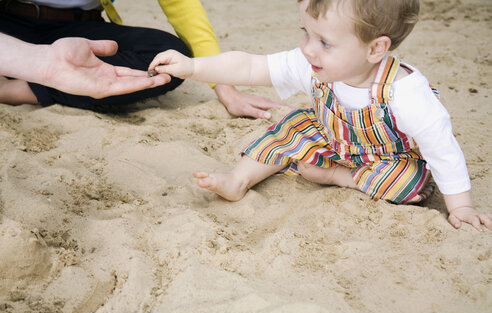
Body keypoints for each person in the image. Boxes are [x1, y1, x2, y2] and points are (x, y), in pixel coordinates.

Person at [148, 0, 491, 231]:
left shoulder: (405, 93)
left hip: (388, 157)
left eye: (324, 42)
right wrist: (194, 66)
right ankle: (239, 179)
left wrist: (460, 207)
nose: (308, 48)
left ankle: (338, 177)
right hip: (332, 137)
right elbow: (251, 65)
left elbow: (442, 150)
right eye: (305, 33)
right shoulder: (311, 63)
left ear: (375, 49)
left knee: (410, 182)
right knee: (290, 127)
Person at [0, 0, 279, 118]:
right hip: (8, 19)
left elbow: (181, 6)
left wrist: (225, 88)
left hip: (81, 27)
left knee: (166, 55)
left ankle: (16, 89)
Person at [0, 33, 170, 100]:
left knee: (170, 56)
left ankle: (10, 88)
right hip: (9, 18)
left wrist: (47, 60)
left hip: (80, 21)